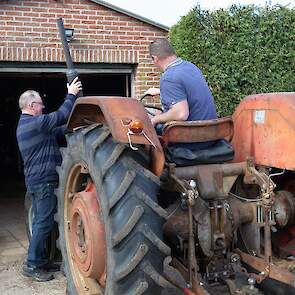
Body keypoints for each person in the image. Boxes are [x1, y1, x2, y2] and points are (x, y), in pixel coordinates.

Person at [16, 77, 82, 282]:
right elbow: (61, 115)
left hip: (38, 181)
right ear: (31, 105)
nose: (43, 107)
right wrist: (71, 94)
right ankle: (32, 264)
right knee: (43, 223)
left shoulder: (34, 126)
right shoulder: (34, 124)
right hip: (43, 181)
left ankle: (43, 260)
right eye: (41, 105)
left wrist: (79, 127)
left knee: (42, 221)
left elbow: (58, 130)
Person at [144, 38, 218, 150]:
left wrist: (155, 119)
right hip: (211, 135)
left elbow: (180, 114)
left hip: (193, 140)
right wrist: (160, 91)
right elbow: (189, 90)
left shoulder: (169, 77)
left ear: (155, 58)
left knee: (147, 130)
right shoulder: (190, 67)